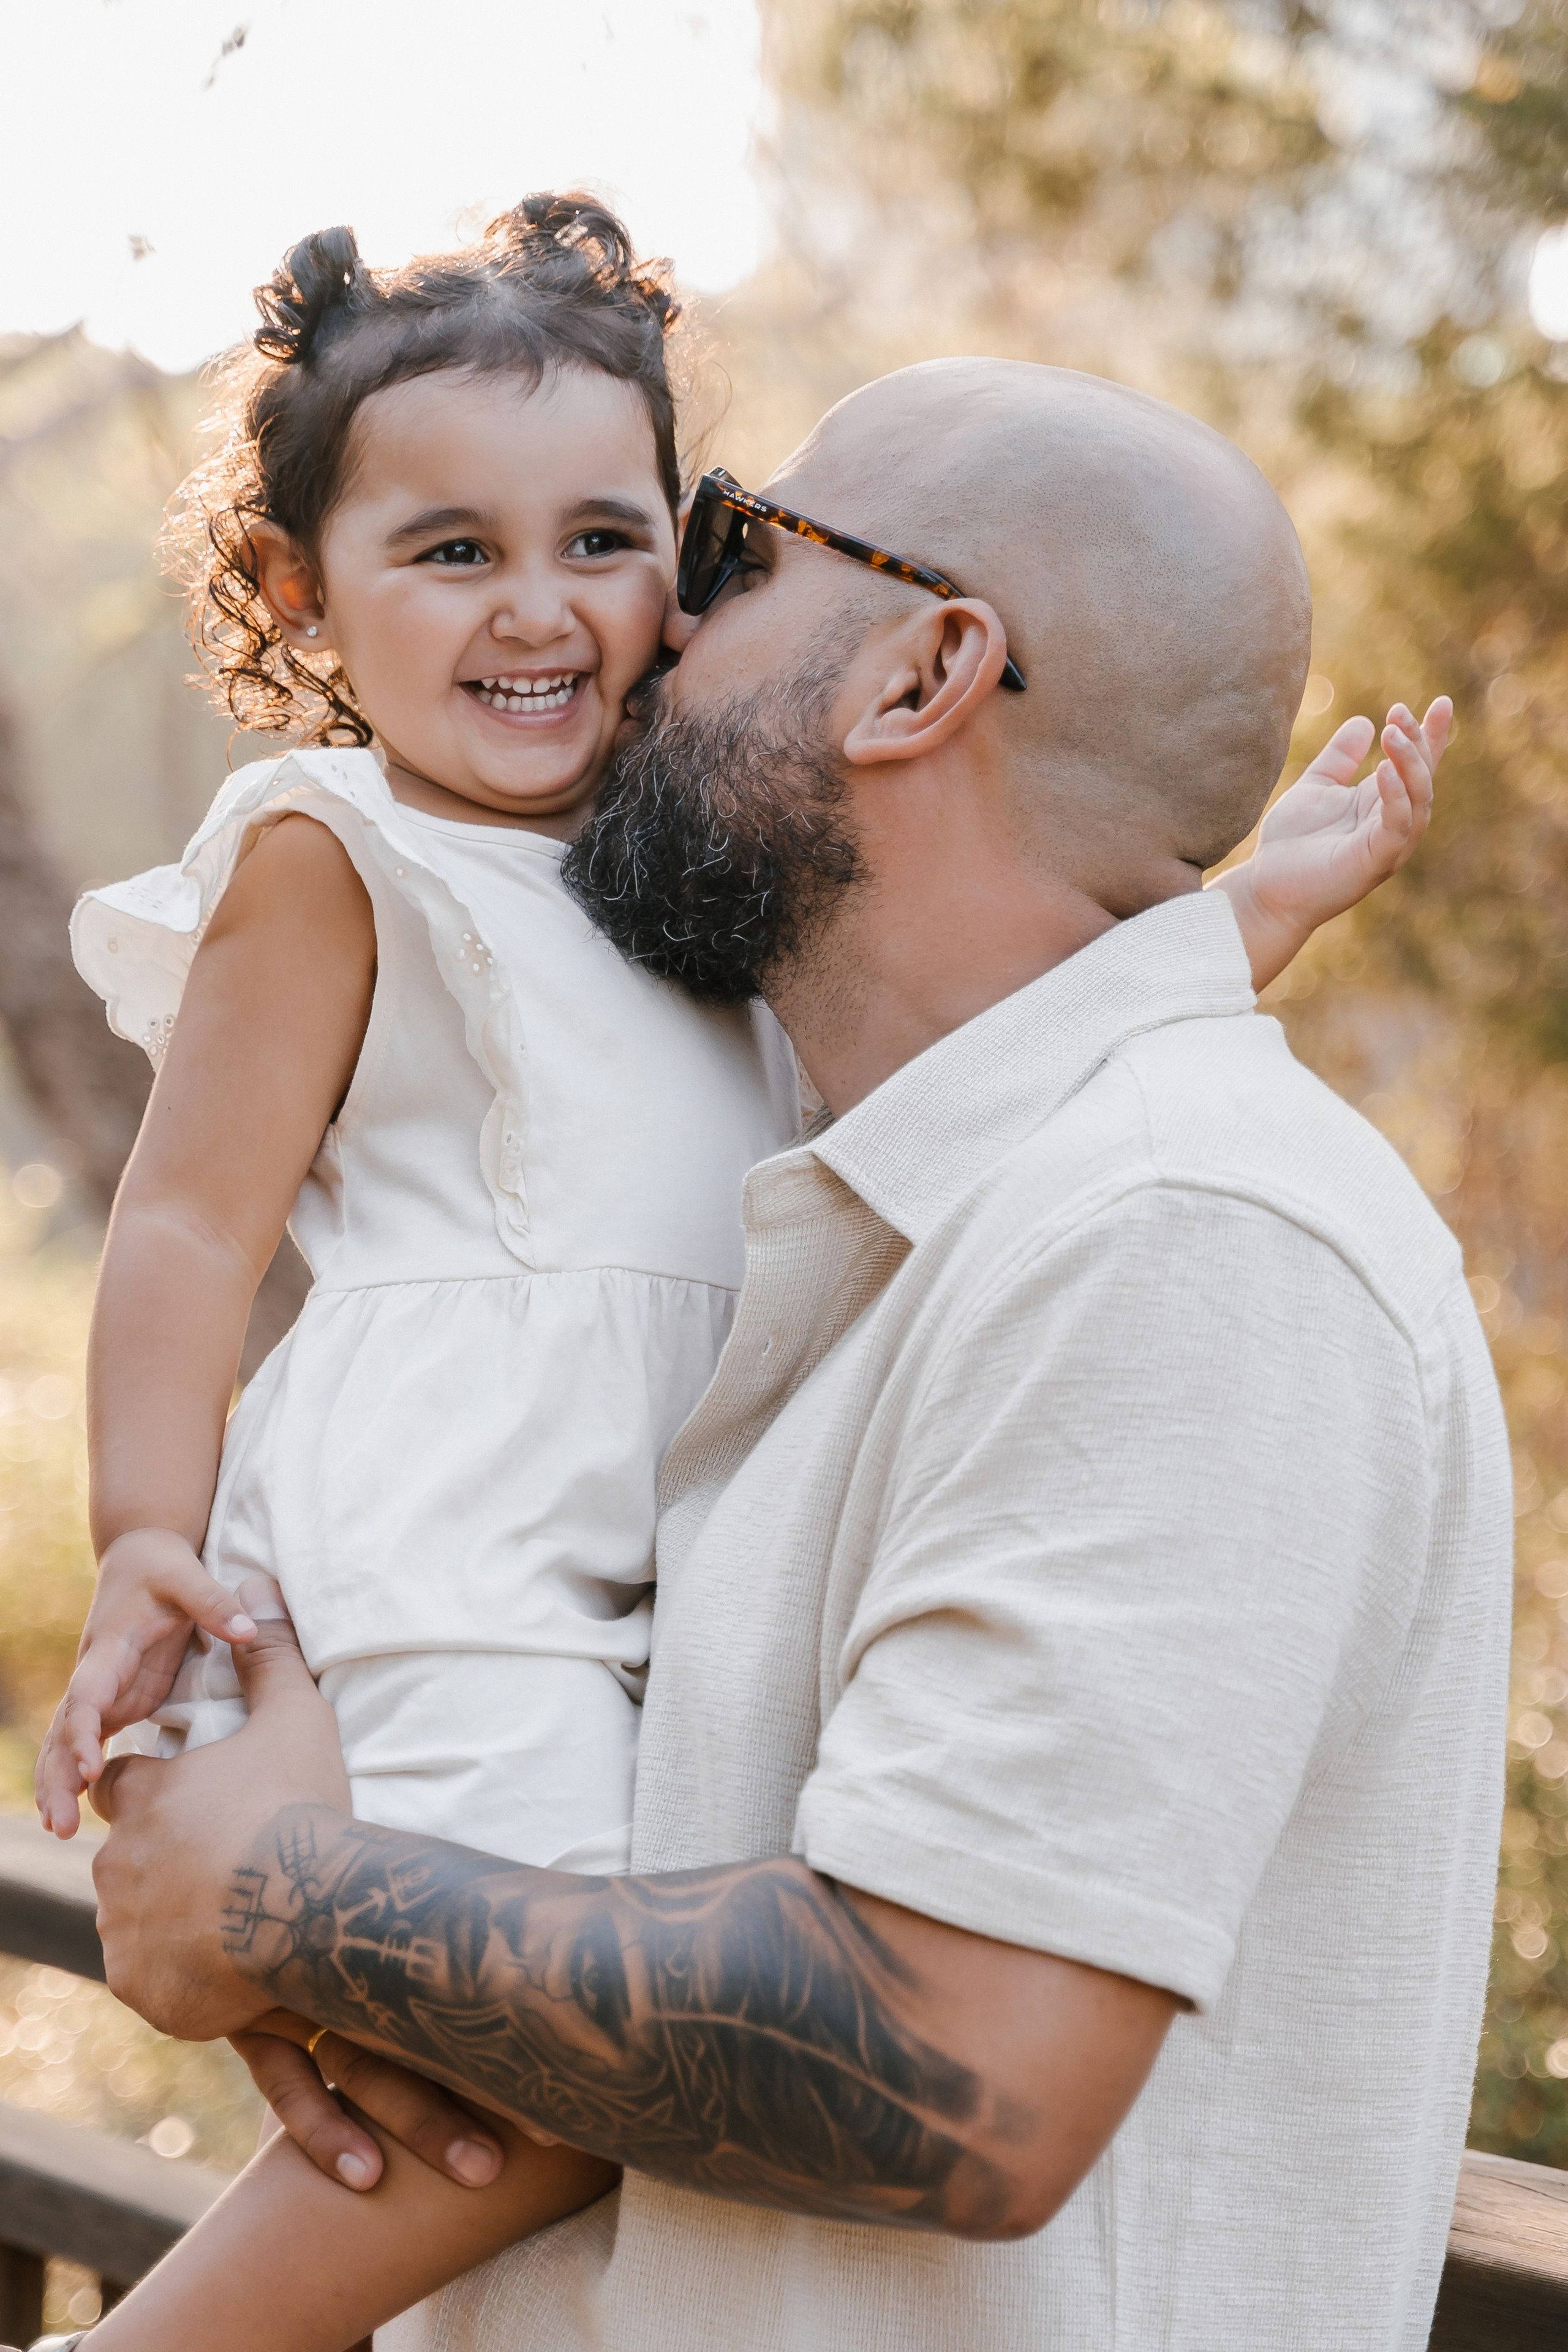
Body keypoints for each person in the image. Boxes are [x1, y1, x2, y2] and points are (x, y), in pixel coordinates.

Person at [70, 355, 1504, 2352]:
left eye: (721, 544)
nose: (645, 624)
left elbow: (949, 2066)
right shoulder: (885, 1214)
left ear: (916, 680)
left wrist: (294, 1902)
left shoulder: (1187, 1233)